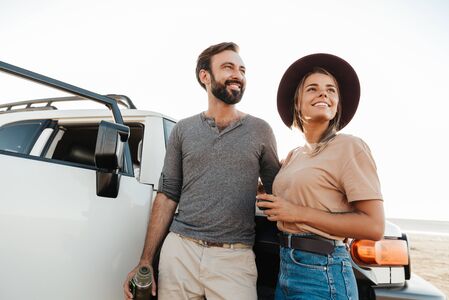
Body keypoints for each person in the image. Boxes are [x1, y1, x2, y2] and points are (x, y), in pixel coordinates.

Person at [123, 42, 280, 300]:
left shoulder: (260, 130)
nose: (237, 75)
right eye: (228, 67)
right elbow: (167, 195)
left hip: (235, 257)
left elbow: (279, 192)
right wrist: (146, 260)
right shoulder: (183, 130)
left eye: (242, 70)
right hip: (180, 252)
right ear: (205, 76)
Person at [256, 53, 385, 299]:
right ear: (297, 103)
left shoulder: (350, 146)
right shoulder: (294, 155)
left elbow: (374, 226)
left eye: (331, 90)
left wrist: (296, 212)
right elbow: (293, 198)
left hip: (324, 273)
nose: (324, 94)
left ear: (337, 102)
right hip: (285, 267)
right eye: (312, 89)